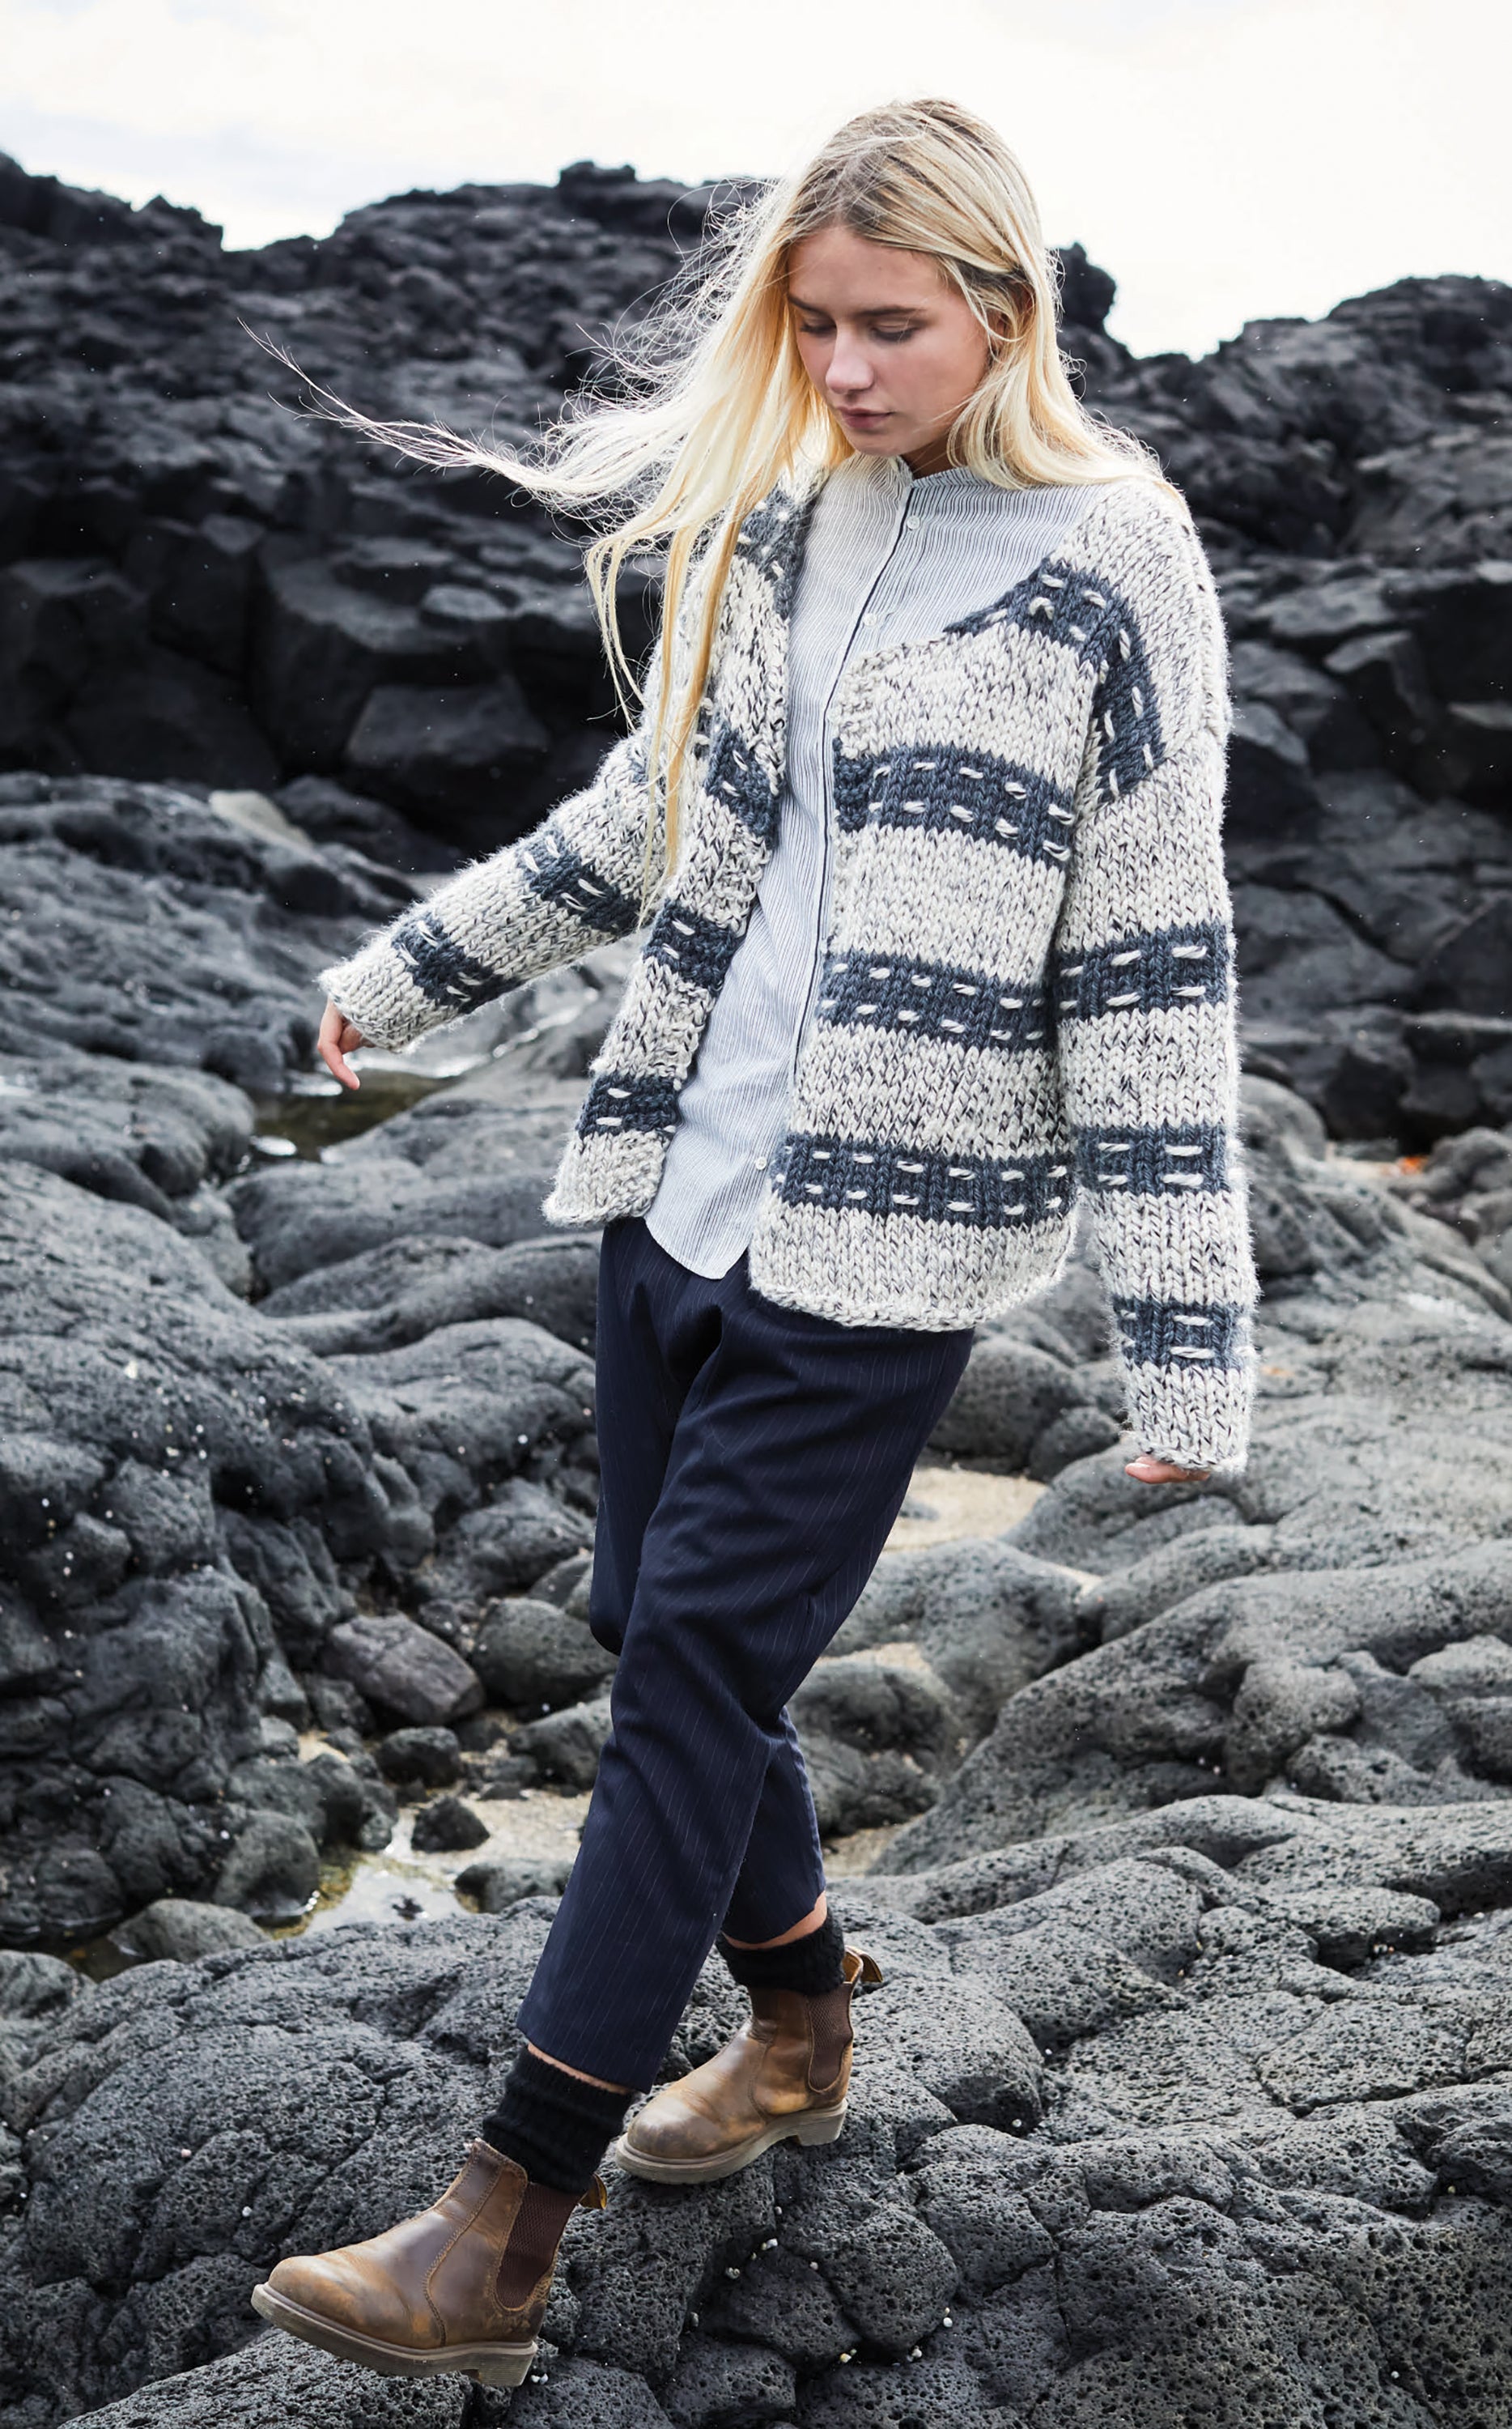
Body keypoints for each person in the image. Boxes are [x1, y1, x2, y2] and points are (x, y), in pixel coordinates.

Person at [250, 95, 1256, 2390]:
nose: (846, 369)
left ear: (1007, 305)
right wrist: (398, 981)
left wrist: (1191, 1344)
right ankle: (803, 2020)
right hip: (677, 1188)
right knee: (647, 1635)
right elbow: (639, 827)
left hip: (882, 1255)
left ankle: (503, 2220)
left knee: (690, 1684)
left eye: (890, 327)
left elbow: (1145, 956)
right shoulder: (796, 523)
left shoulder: (1120, 562)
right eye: (811, 328)